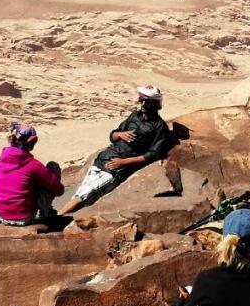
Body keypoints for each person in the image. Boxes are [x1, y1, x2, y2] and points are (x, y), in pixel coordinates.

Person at [59, 85, 171, 215]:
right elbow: (113, 134)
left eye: (145, 100)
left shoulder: (159, 127)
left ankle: (59, 215)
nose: (142, 103)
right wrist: (119, 135)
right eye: (141, 99)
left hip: (117, 168)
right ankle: (60, 218)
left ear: (154, 103)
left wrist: (123, 162)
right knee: (83, 192)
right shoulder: (134, 116)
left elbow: (152, 155)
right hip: (104, 158)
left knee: (86, 194)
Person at [0, 122, 64, 225]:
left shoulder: (1, 160)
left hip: (3, 217)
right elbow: (59, 190)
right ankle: (43, 212)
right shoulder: (33, 164)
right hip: (25, 218)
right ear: (31, 142)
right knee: (53, 166)